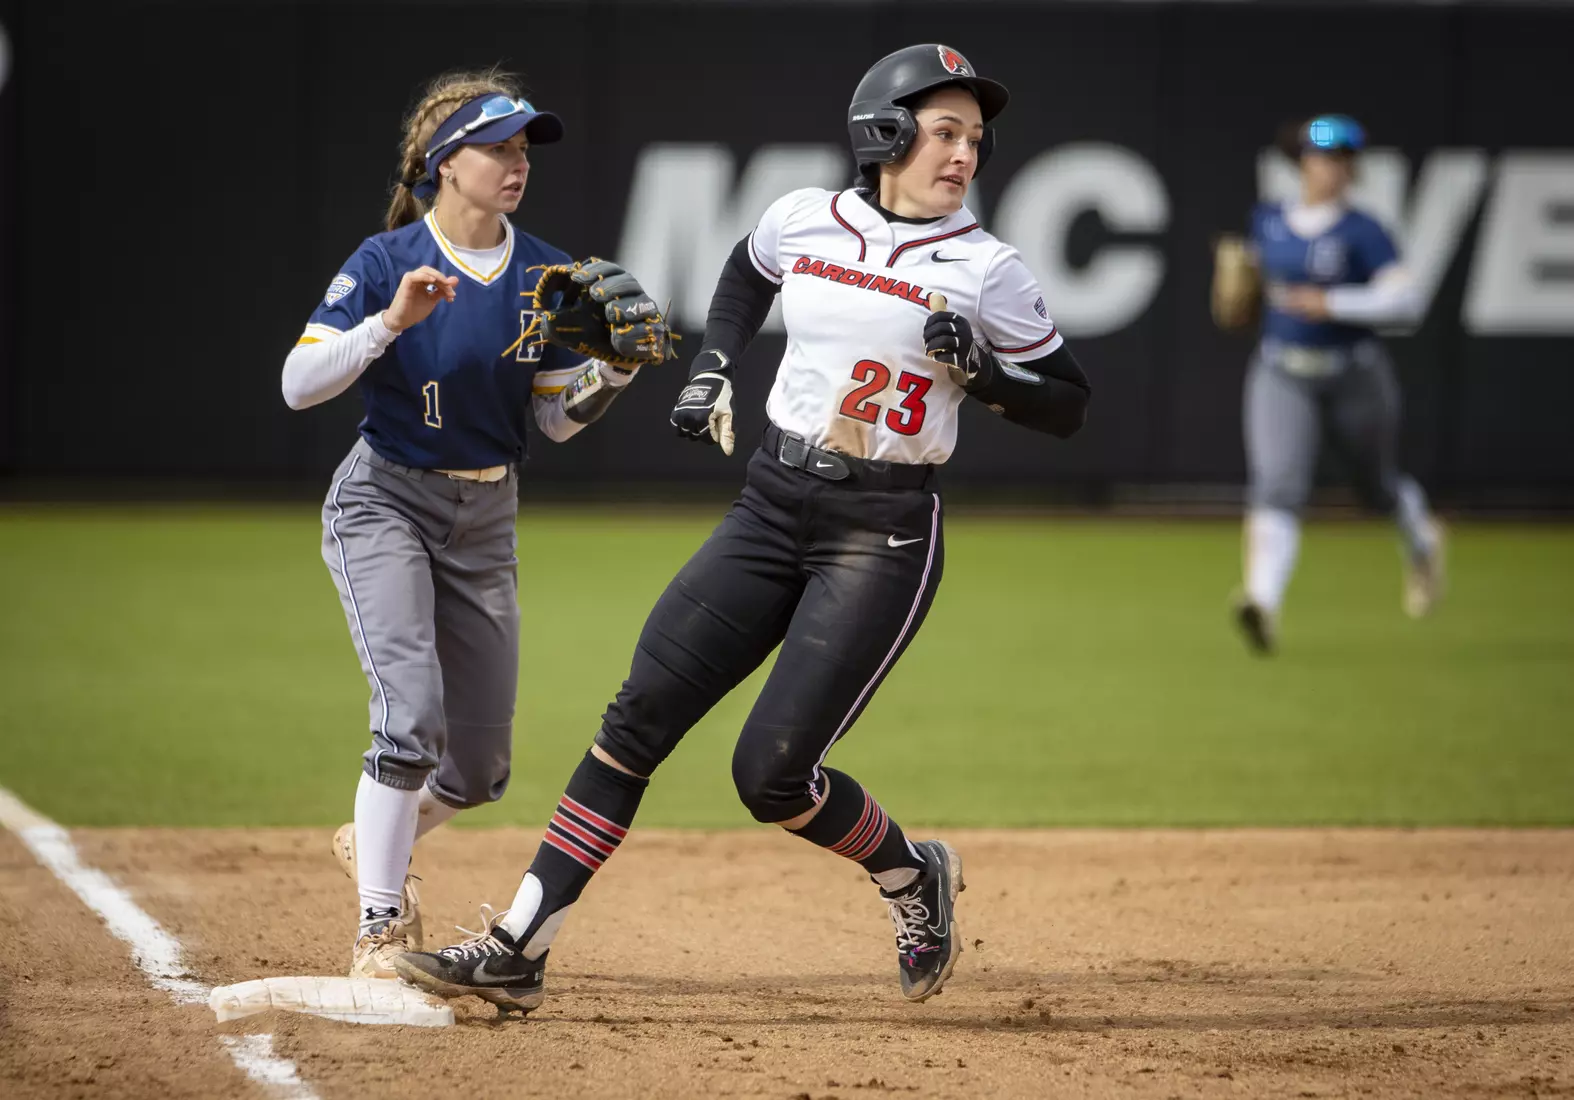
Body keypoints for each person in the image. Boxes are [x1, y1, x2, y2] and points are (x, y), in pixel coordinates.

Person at [393, 43, 1091, 1015]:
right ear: (882, 130)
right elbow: (743, 274)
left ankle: (909, 876)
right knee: (633, 722)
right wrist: (713, 363)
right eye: (943, 131)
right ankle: (518, 946)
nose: (963, 153)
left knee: (769, 776)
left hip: (878, 528)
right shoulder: (804, 218)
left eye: (973, 137)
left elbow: (1066, 401)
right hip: (771, 503)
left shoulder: (987, 268)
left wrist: (984, 370)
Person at [279, 69, 671, 978]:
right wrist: (389, 322)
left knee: (480, 768)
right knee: (410, 721)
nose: (515, 163)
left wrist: (613, 373)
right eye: (496, 146)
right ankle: (380, 923)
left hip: (488, 513)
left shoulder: (544, 272)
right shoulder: (385, 263)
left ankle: (371, 835)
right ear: (444, 163)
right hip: (386, 497)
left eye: (522, 148)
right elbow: (298, 388)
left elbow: (554, 417)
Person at [1213, 114, 1445, 656]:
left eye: (1342, 161)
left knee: (1376, 487)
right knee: (1277, 484)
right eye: (1321, 158)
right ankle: (1261, 601)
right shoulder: (1268, 220)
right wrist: (1237, 296)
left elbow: (1407, 301)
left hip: (1352, 373)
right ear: (1302, 164)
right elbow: (1249, 290)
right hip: (1282, 371)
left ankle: (1423, 542)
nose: (1330, 169)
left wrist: (1334, 302)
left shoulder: (1363, 231)